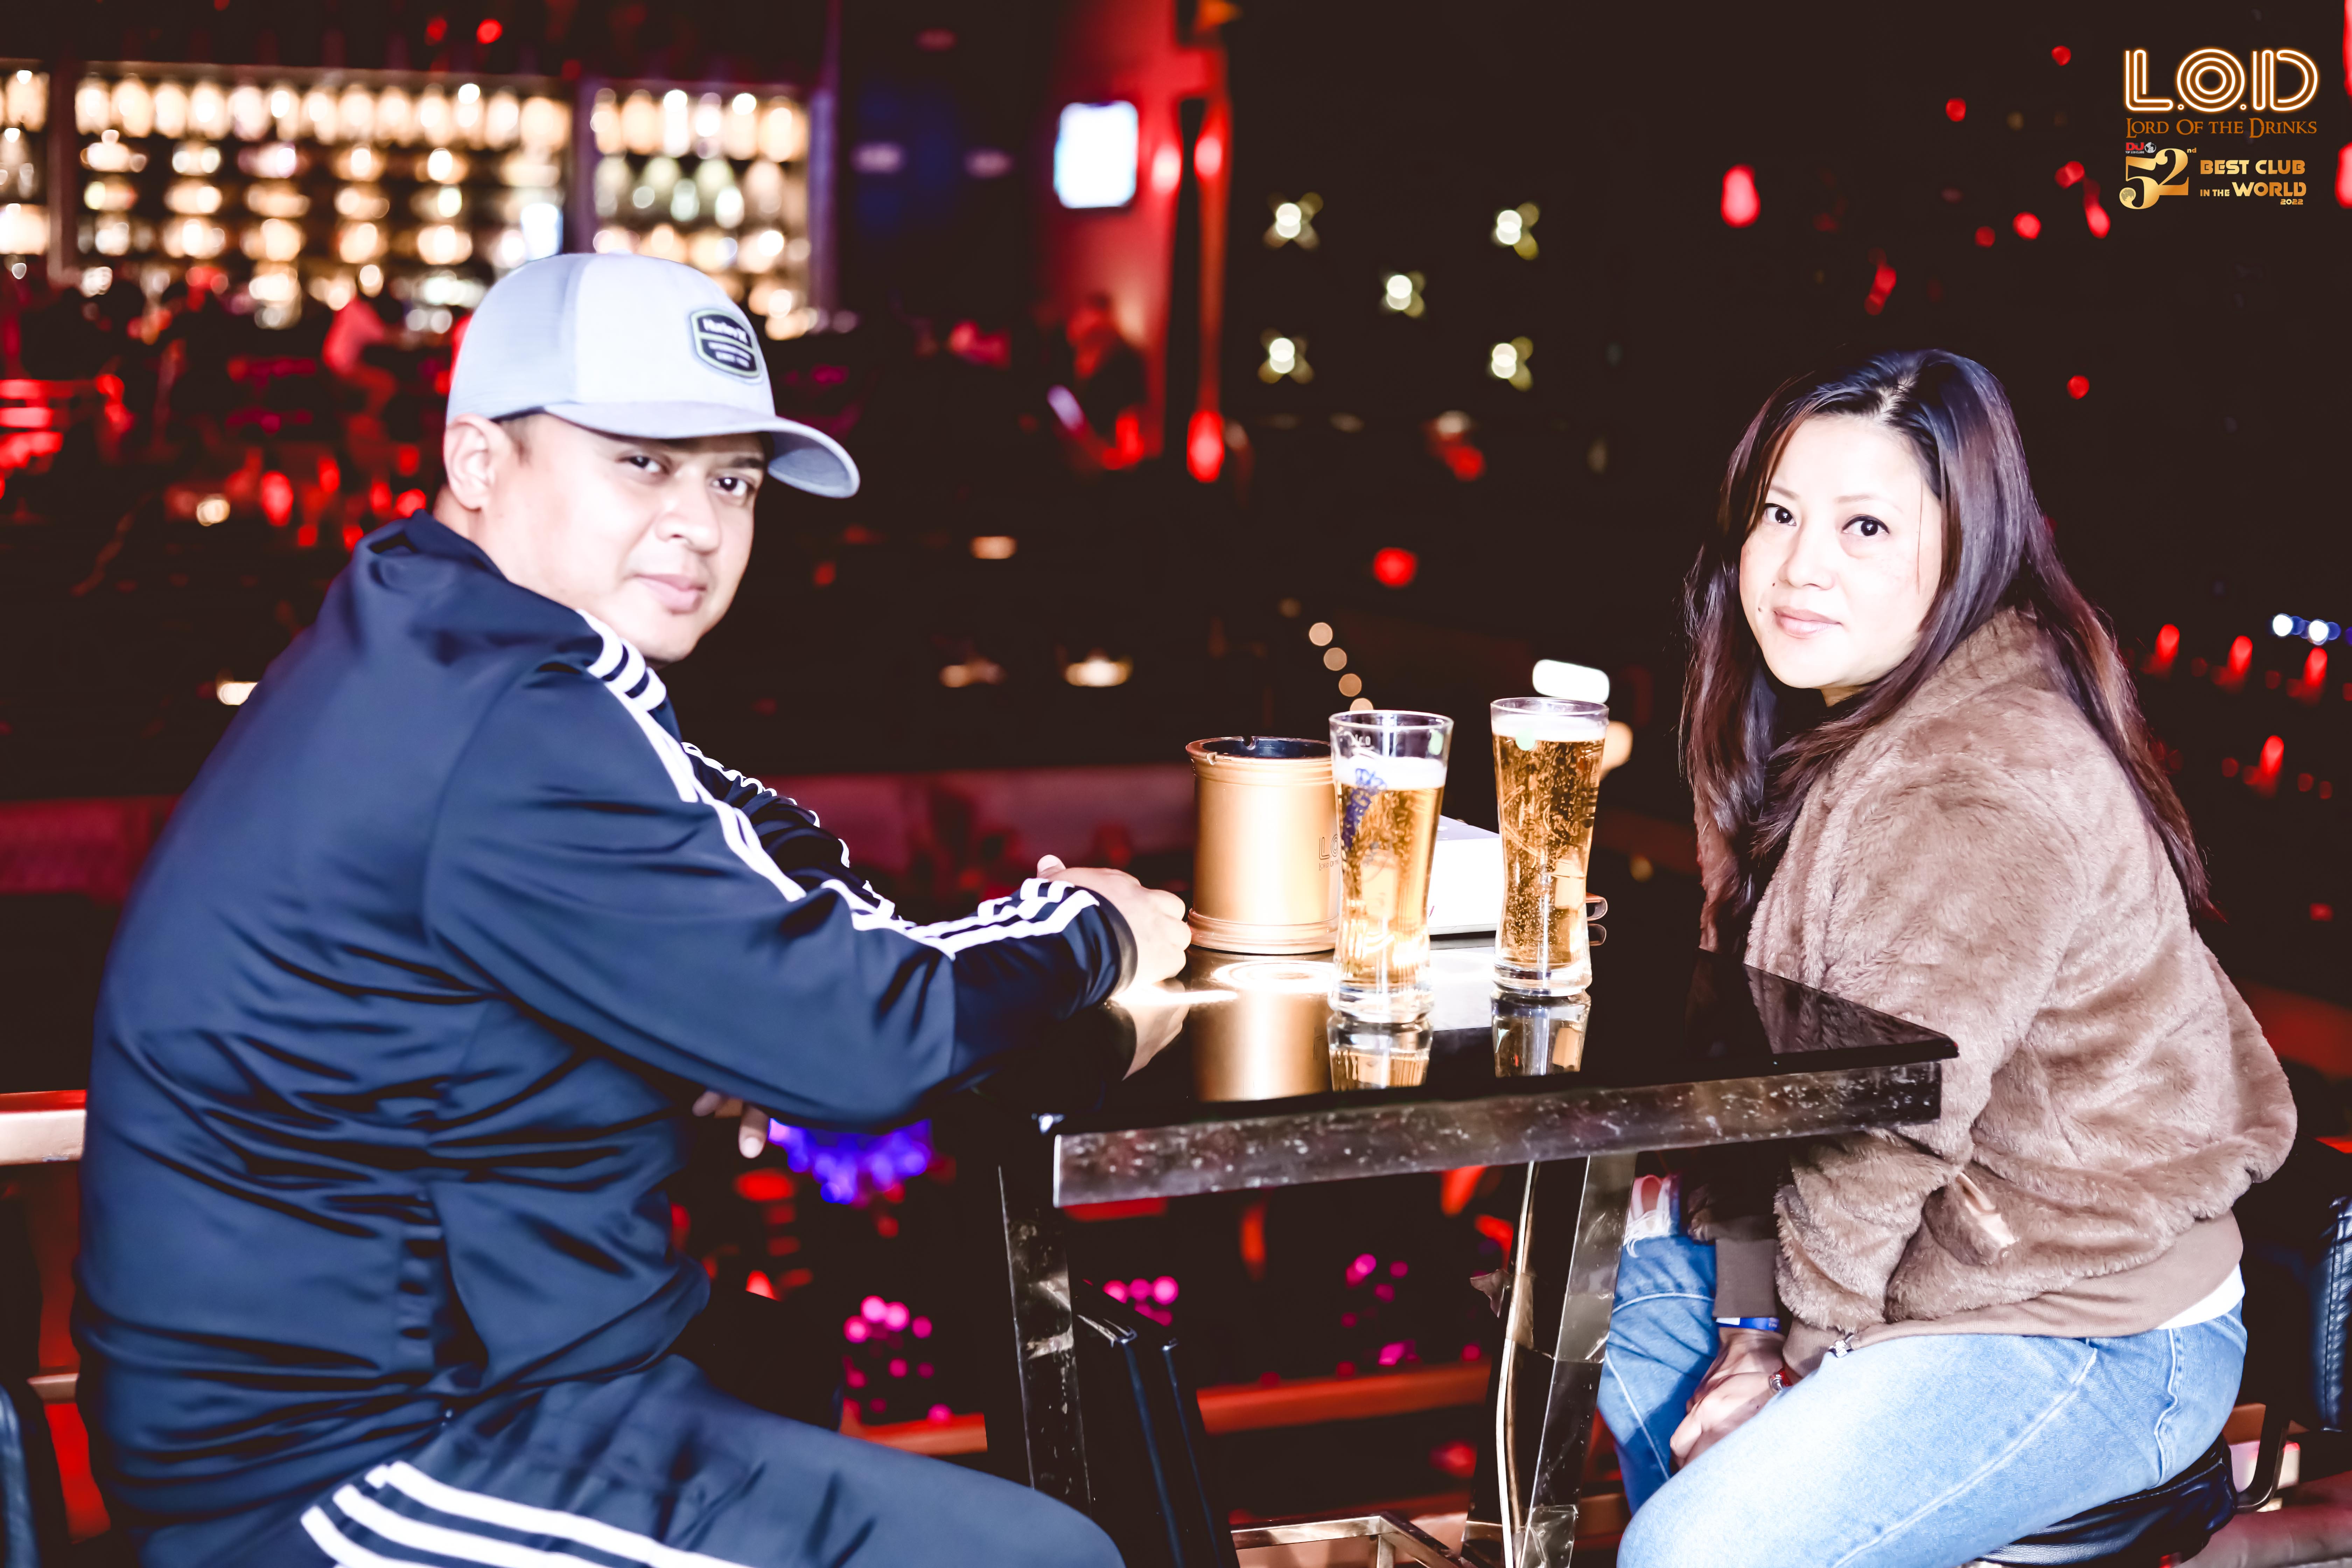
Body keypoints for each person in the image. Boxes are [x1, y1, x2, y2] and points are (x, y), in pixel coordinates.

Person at [73, 253, 1189, 1568]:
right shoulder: (500, 709)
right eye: (642, 463)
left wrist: (755, 1002)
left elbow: (769, 865)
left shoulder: (453, 632)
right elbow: (859, 1039)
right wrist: (1097, 929)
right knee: (1048, 1559)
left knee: (790, 1371)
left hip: (499, 1376)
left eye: (734, 480)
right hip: (349, 1456)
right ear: (479, 460)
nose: (701, 526)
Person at [1598, 349, 2294, 1567]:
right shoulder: (1804, 733)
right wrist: (1747, 1327)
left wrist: (1792, 1366)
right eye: (1779, 515)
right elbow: (1757, 1089)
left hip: (2087, 1322)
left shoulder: (1975, 779)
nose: (1800, 566)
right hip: (1921, 1266)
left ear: (1965, 553)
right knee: (1587, 1309)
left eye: (1865, 527)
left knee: (1689, 1553)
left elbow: (1885, 1128)